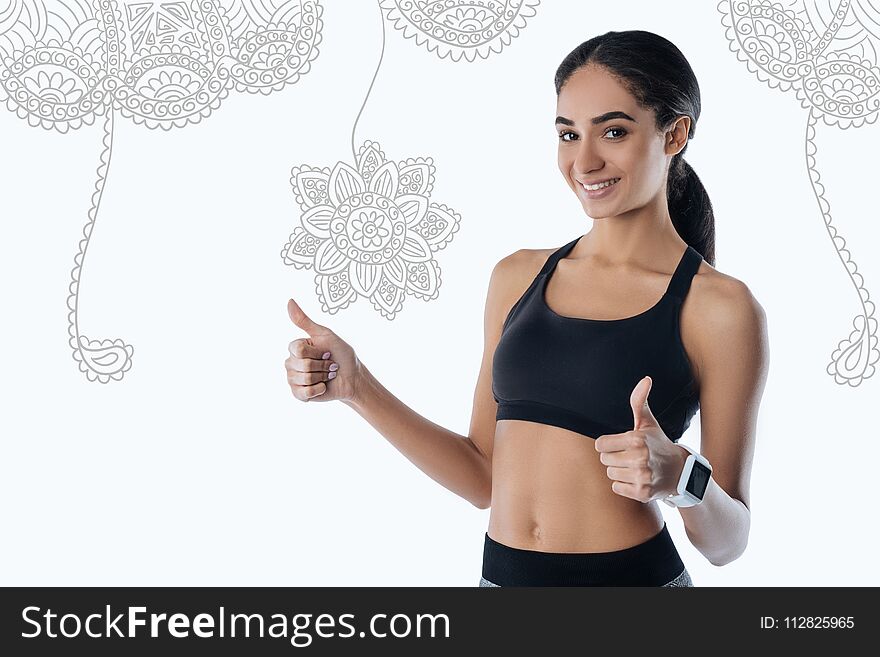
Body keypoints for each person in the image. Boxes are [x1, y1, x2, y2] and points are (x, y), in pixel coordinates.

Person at [284, 30, 769, 587]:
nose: (584, 161)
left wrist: (683, 476)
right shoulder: (517, 276)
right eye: (568, 133)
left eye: (613, 131)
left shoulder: (721, 309)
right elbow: (481, 476)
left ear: (675, 134)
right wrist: (356, 388)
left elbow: (729, 544)